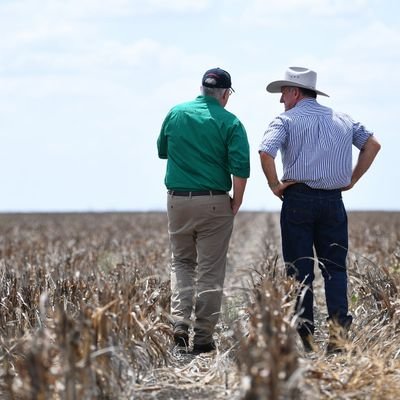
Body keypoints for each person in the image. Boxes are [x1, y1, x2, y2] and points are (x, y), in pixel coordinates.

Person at [259, 66, 381, 353]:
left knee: (300, 271)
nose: (280, 100)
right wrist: (351, 179)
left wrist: (275, 185)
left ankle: (306, 338)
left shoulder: (286, 119)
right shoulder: (343, 118)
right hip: (333, 201)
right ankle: (339, 338)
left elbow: (266, 152)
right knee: (335, 270)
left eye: (283, 93)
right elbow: (373, 145)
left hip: (298, 198)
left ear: (295, 92)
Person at [157, 67, 250, 355]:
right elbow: (241, 167)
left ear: (202, 89)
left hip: (177, 201)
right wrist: (237, 200)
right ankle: (203, 338)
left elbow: (163, 150)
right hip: (214, 202)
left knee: (182, 263)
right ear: (225, 94)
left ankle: (180, 324)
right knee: (210, 270)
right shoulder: (230, 122)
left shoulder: (176, 113)